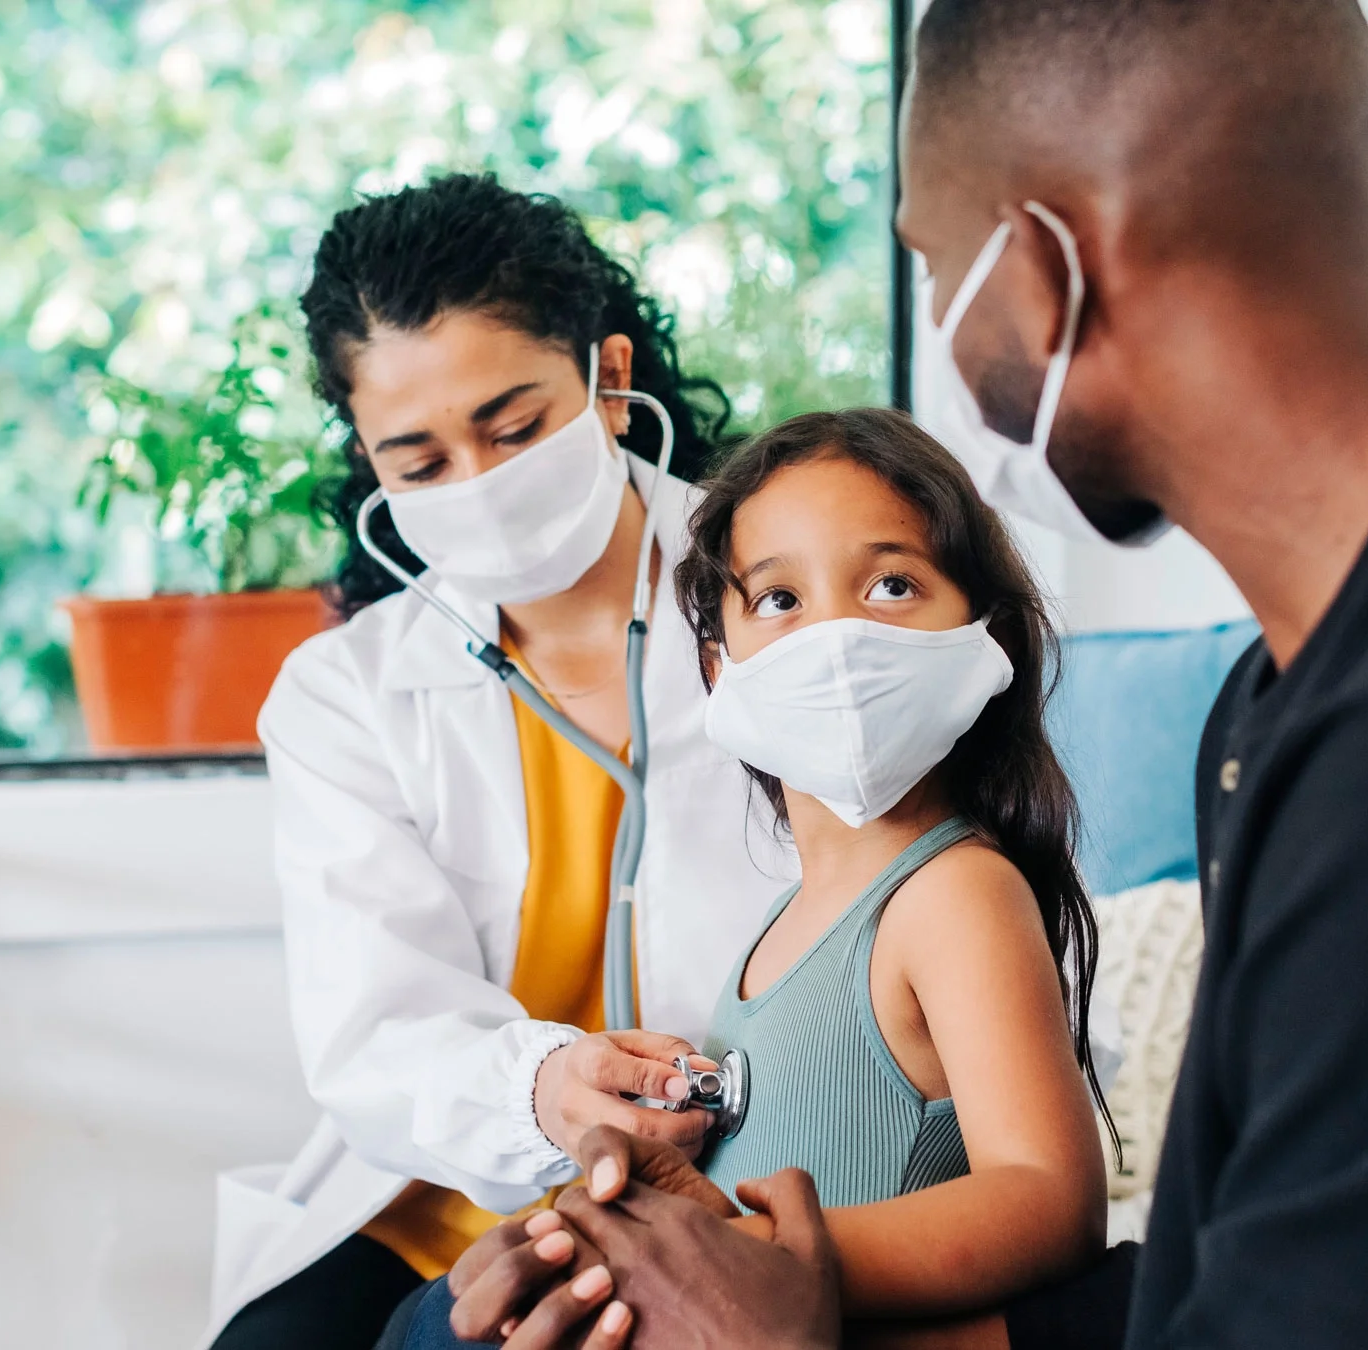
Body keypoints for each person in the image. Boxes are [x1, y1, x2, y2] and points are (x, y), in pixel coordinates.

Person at [444, 1, 1368, 1347]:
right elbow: (1240, 1279)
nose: (947, 334)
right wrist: (719, 1264)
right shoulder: (1327, 689)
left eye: (935, 268)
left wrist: (770, 1330)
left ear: (1040, 273)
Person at [201, 173, 795, 1350]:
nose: (479, 486)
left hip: (744, 1166)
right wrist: (545, 1091)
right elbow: (379, 1034)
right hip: (450, 1194)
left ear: (610, 381)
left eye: (515, 430)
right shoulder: (346, 696)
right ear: (368, 461)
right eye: (420, 464)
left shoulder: (788, 595)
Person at [392, 409, 1116, 1349]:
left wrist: (749, 1253)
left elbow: (1049, 1200)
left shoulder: (955, 896)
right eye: (779, 599)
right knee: (450, 1313)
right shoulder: (784, 923)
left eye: (892, 585)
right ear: (717, 670)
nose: (837, 636)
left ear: (992, 637)